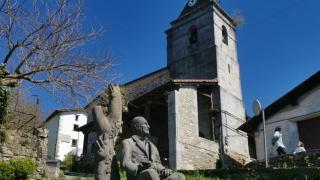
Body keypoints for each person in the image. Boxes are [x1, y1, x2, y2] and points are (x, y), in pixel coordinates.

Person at [119, 116, 185, 180]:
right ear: (136, 126)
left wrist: (164, 170)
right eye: (145, 124)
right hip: (138, 176)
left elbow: (158, 164)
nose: (149, 126)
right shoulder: (127, 142)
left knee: (179, 176)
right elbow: (125, 163)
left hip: (156, 175)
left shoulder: (152, 145)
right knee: (150, 172)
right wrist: (140, 168)